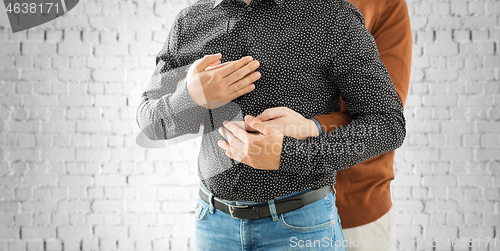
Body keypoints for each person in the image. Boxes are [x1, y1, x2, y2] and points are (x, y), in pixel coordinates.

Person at [135, 0, 406, 249]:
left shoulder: (331, 17)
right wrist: (190, 97)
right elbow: (150, 124)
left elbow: (387, 124)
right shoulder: (191, 22)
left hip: (303, 226)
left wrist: (288, 155)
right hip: (213, 226)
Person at [221, 0, 412, 250]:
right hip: (256, 212)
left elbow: (383, 114)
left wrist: (311, 127)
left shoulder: (380, 4)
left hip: (356, 202)